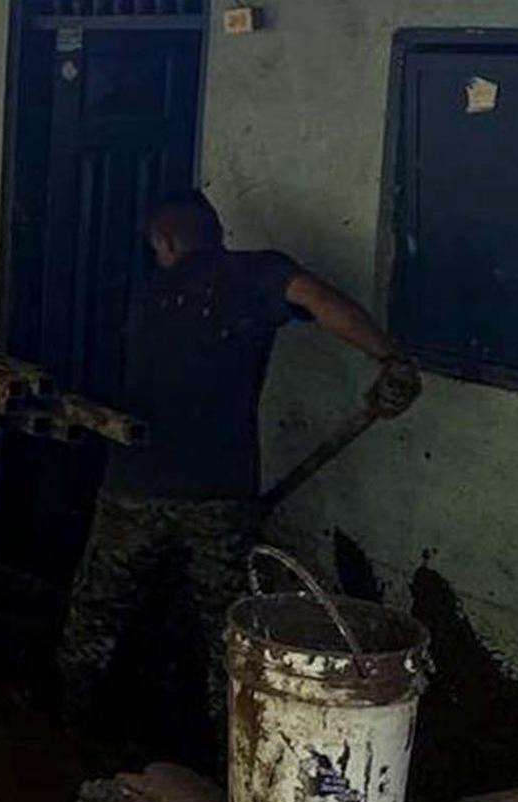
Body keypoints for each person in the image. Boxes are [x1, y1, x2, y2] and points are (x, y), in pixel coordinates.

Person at [57, 189, 422, 770]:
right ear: (214, 232)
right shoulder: (256, 274)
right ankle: (231, 761)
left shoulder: (146, 294)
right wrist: (390, 358)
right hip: (220, 499)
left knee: (96, 616)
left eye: (156, 246)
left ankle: (65, 735)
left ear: (167, 241)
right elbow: (325, 302)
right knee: (229, 635)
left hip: (133, 490)